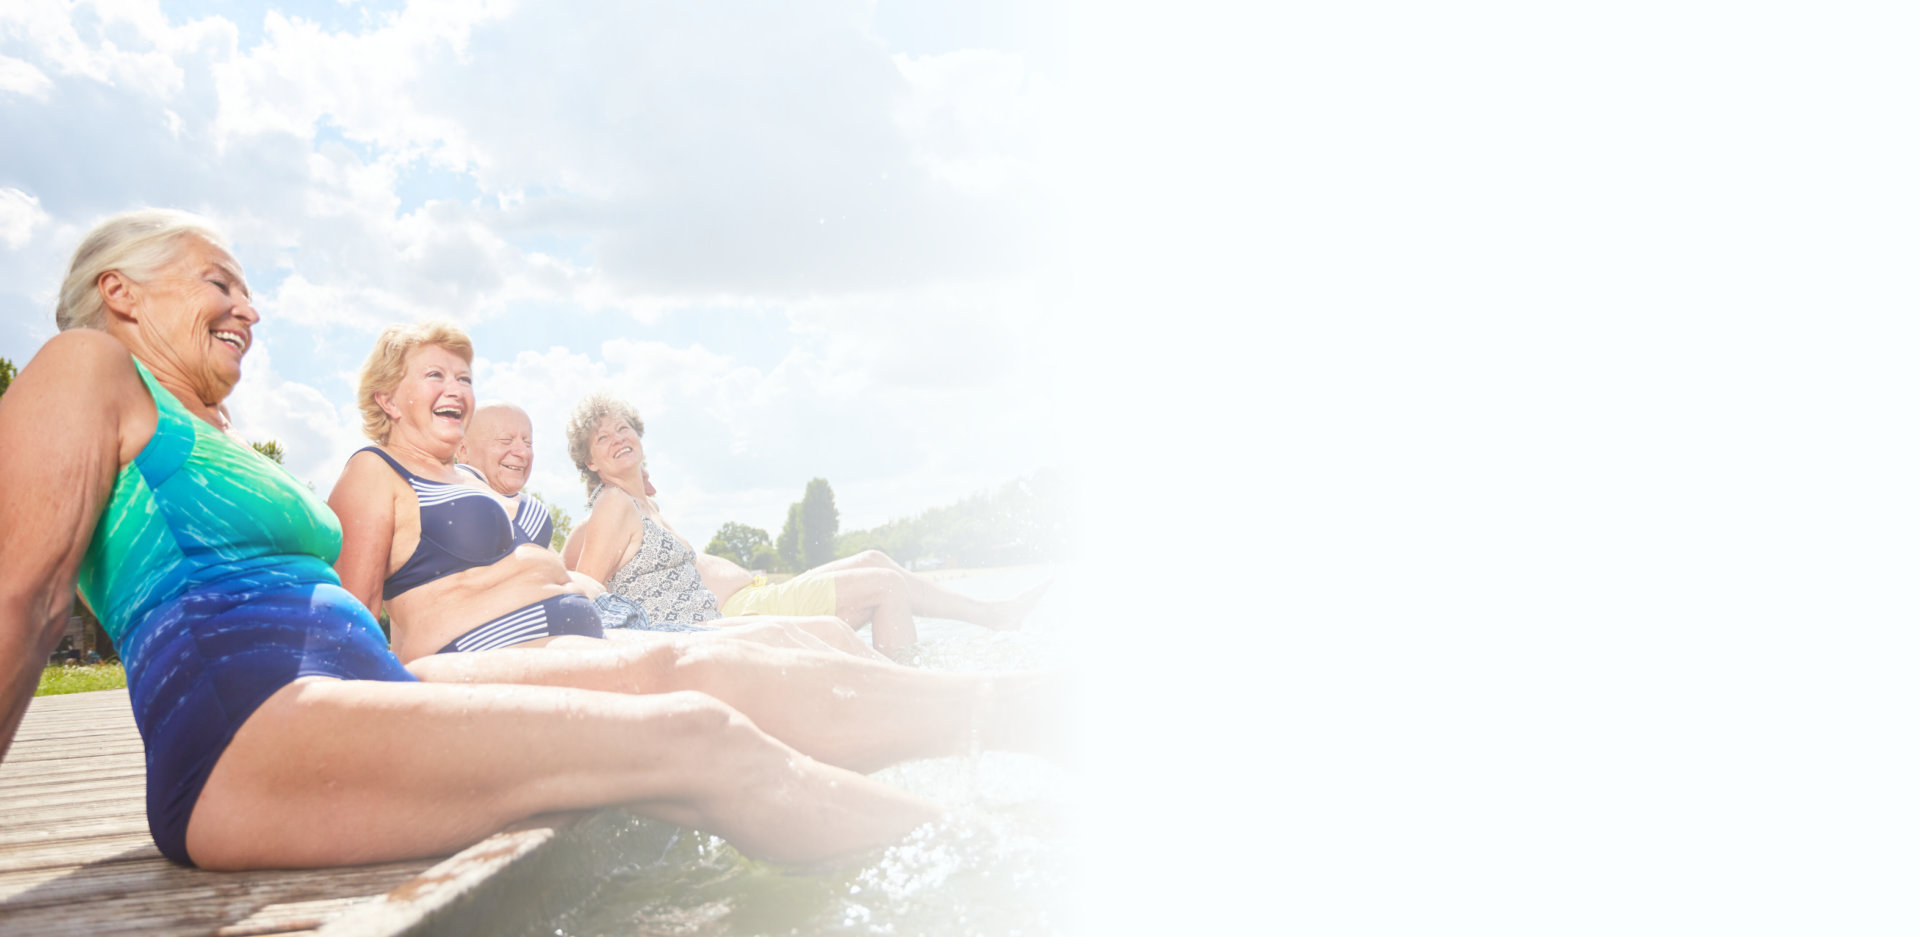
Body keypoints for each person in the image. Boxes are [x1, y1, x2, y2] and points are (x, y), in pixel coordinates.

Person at [0, 210, 1056, 872]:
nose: (250, 307)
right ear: (119, 291)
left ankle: (1024, 714)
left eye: (246, 288)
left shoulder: (208, 428)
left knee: (688, 664)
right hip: (248, 729)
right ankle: (998, 870)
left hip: (360, 692)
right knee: (693, 734)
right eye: (218, 282)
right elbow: (22, 598)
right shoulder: (81, 372)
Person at [561, 394, 1051, 655]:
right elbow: (584, 579)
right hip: (736, 613)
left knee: (878, 561)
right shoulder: (612, 506)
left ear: (641, 436)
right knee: (884, 585)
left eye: (624, 427)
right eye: (602, 436)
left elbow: (597, 554)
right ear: (590, 463)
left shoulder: (638, 504)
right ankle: (910, 693)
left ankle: (990, 617)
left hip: (743, 600)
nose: (618, 436)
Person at [455, 402, 557, 549]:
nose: (523, 453)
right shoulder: (436, 492)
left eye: (528, 443)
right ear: (463, 451)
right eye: (505, 441)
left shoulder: (531, 514)